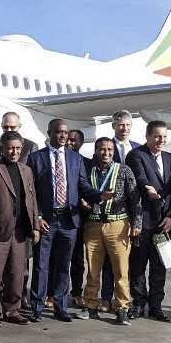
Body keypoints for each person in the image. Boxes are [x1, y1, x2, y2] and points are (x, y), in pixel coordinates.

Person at [27, 119, 105, 322]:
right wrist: (38, 217)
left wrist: (99, 195)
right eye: (59, 132)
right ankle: (37, 306)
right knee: (41, 265)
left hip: (69, 220)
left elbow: (83, 186)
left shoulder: (75, 158)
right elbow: (30, 192)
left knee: (64, 265)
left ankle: (60, 307)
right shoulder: (36, 158)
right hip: (46, 220)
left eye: (65, 133)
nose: (63, 136)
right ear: (49, 132)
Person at [0, 132, 41, 326]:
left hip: (21, 231)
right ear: (2, 149)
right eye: (10, 148)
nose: (14, 152)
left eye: (17, 148)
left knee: (16, 274)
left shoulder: (26, 170)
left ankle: (12, 309)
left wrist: (36, 226)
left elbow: (32, 200)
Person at [81, 137, 141, 325]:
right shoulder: (87, 170)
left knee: (121, 269)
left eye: (109, 150)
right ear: (96, 150)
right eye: (102, 149)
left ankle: (121, 306)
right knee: (92, 269)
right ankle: (90, 305)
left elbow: (134, 199)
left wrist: (137, 224)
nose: (106, 153)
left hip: (118, 225)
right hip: (94, 224)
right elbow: (80, 192)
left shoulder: (123, 170)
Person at [126, 120, 171, 321]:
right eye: (157, 136)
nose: (161, 140)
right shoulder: (136, 155)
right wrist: (147, 187)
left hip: (163, 223)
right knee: (138, 266)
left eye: (164, 137)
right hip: (143, 221)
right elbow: (139, 177)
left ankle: (156, 306)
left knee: (160, 266)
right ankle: (139, 303)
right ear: (148, 136)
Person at [66, 129, 94, 310]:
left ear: (81, 143)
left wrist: (87, 200)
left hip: (81, 218)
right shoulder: (57, 159)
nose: (69, 143)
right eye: (67, 140)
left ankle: (76, 292)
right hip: (61, 216)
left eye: (73, 141)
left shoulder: (88, 163)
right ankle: (52, 293)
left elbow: (90, 187)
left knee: (77, 259)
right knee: (57, 259)